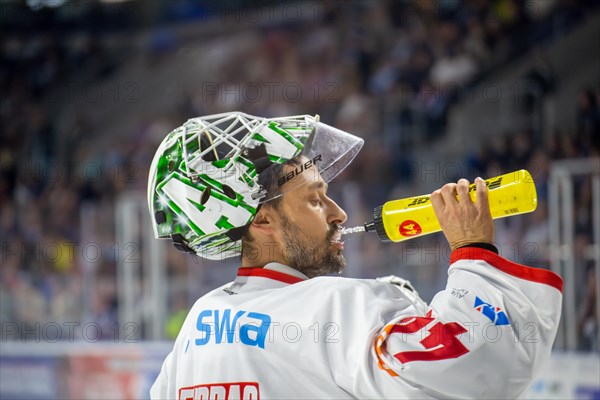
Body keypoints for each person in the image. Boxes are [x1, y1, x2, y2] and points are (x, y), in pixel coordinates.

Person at [148, 112, 562, 399]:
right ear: (262, 222)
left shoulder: (198, 326)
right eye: (314, 201)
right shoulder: (336, 307)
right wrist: (474, 251)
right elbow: (478, 370)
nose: (339, 214)